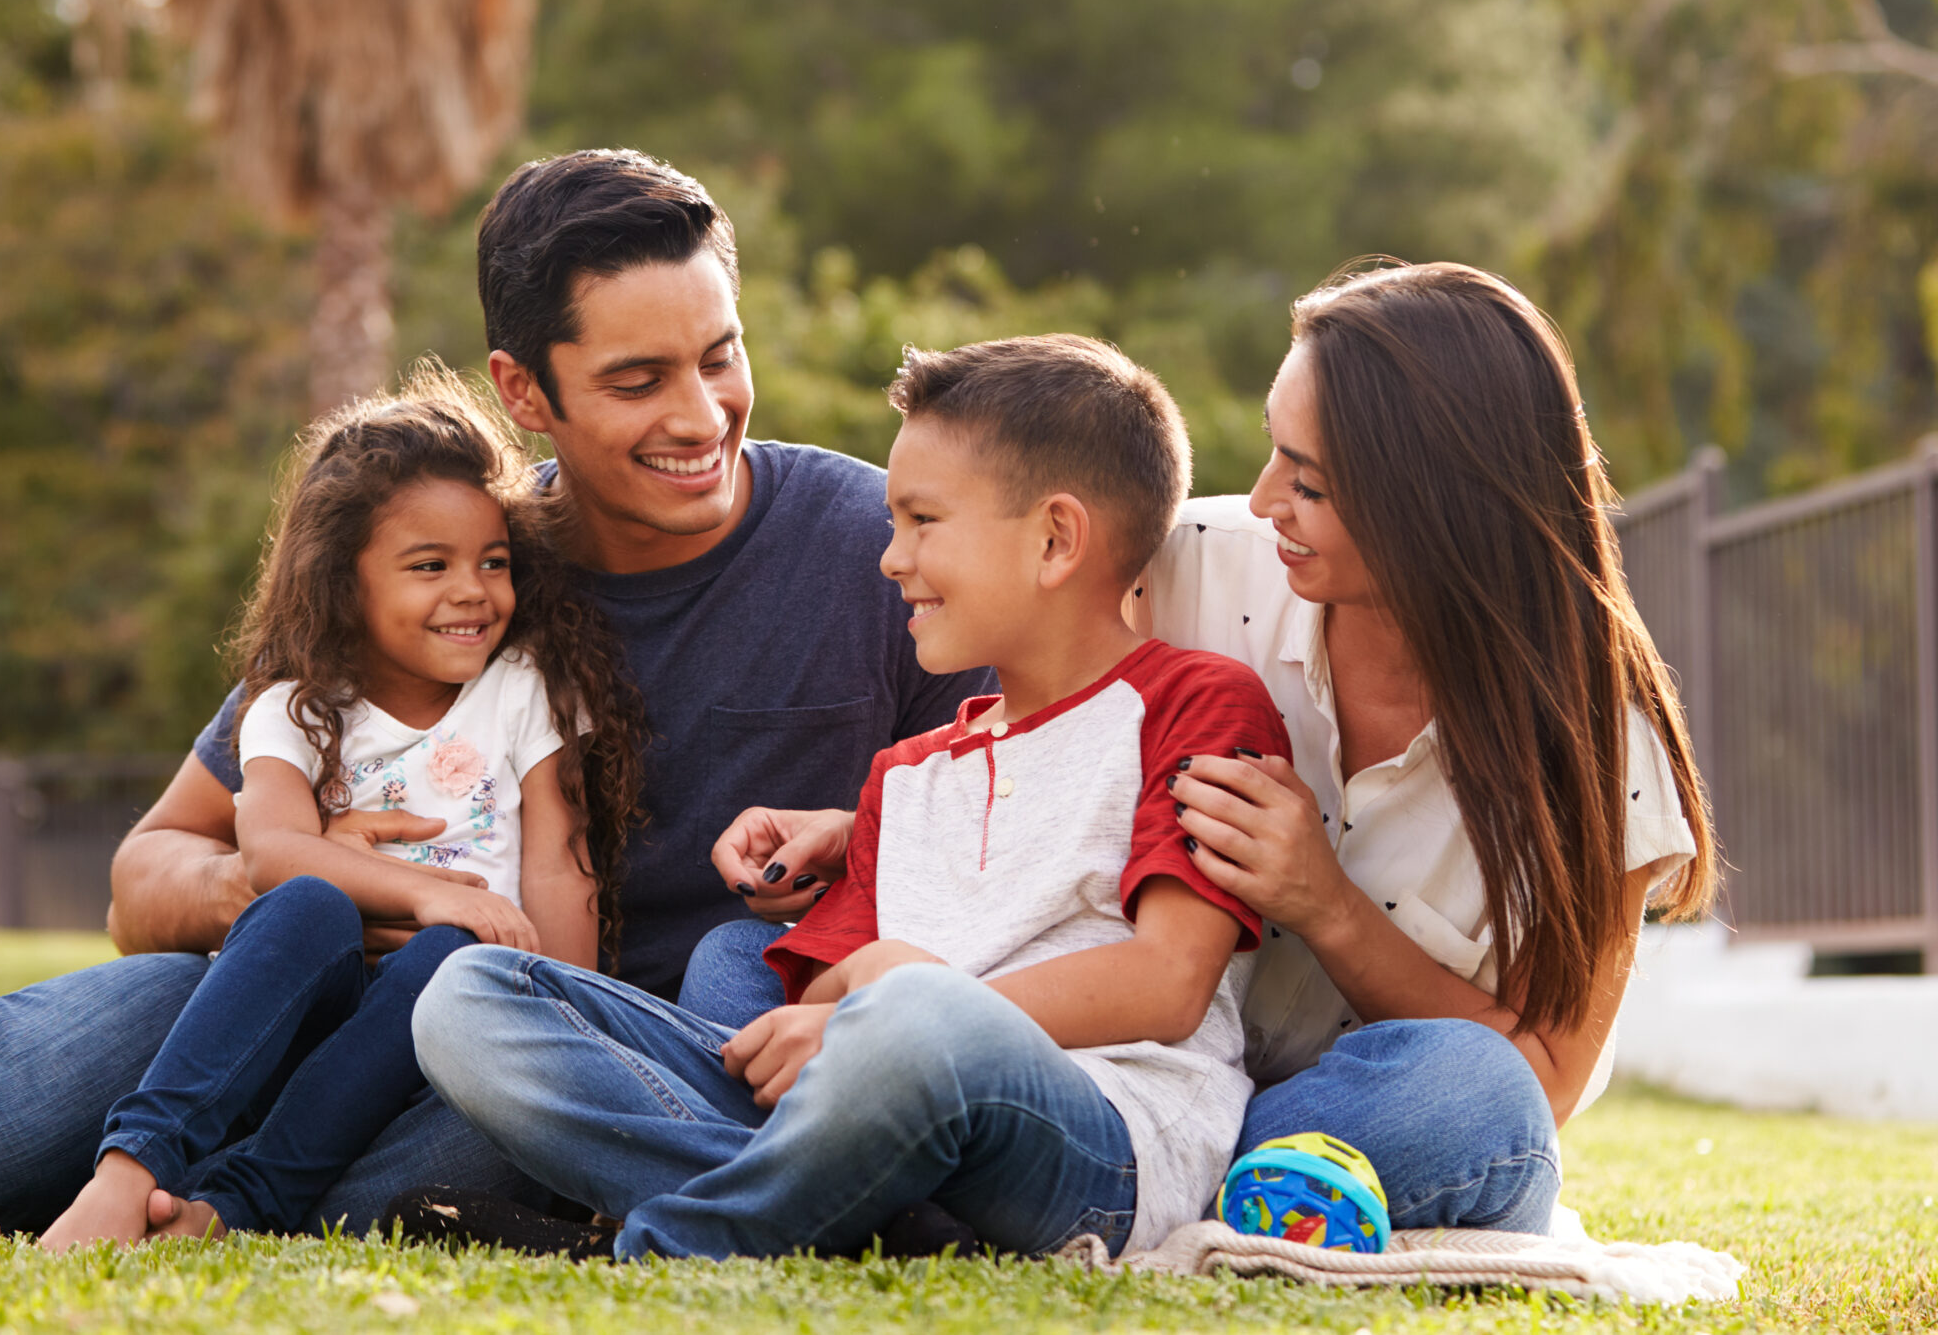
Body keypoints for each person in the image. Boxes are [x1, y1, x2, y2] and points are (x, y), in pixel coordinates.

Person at [0, 149, 989, 1239]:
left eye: (722, 357)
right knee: (3, 1087)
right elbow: (146, 875)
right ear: (528, 393)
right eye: (639, 379)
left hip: (579, 1056)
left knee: (424, 1162)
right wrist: (362, 891)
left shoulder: (874, 546)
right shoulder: (448, 561)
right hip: (315, 977)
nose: (703, 414)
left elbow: (1004, 816)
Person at [702, 262, 1717, 1237]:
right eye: (1276, 453)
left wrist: (1327, 907)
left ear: (1434, 507)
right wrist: (877, 832)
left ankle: (985, 1179)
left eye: (1309, 482)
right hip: (1090, 1063)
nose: (1266, 498)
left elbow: (1545, 1078)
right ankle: (991, 1171)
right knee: (745, 966)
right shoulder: (1193, 561)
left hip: (1310, 1122)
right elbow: (1034, 737)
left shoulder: (1597, 745)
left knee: (1471, 1097)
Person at [399, 334, 1293, 1261]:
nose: (890, 558)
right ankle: (868, 1223)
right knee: (470, 997)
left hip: (1100, 1133)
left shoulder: (1196, 701)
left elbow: (1168, 981)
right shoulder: (905, 774)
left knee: (920, 1016)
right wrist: (855, 998)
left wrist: (901, 986)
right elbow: (818, 994)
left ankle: (667, 1241)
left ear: (1056, 539)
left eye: (921, 521)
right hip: (874, 1100)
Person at [37, 369, 646, 1251]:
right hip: (305, 992)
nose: (472, 589)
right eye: (429, 566)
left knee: (454, 956)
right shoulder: (292, 706)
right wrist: (425, 890)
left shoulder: (525, 689)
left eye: (494, 561)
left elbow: (560, 855)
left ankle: (232, 1208)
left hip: (435, 1025)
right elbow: (277, 849)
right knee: (310, 903)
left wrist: (563, 1006)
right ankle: (128, 1171)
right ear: (344, 581)